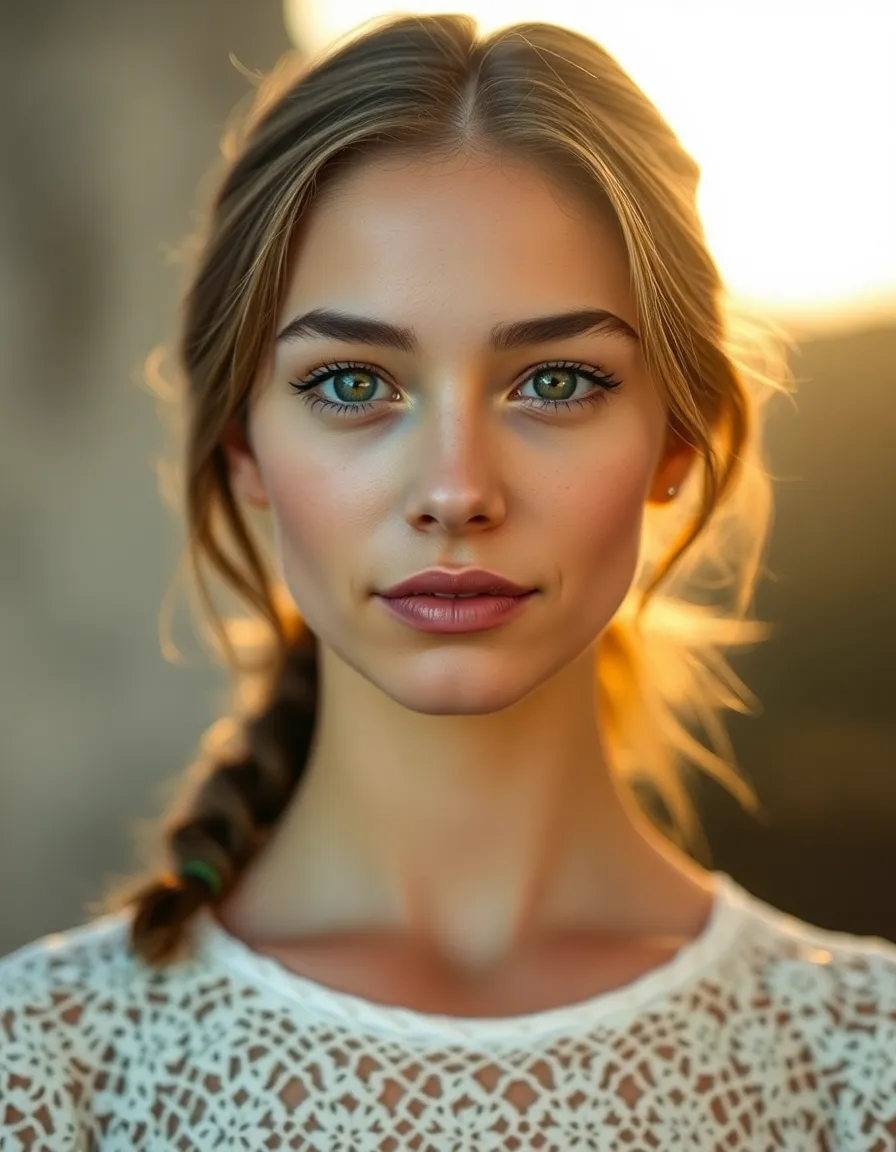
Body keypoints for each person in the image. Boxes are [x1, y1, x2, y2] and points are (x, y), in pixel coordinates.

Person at [1, 12, 894, 1149]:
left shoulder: (858, 1069)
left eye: (557, 379)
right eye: (349, 383)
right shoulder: (47, 1074)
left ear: (677, 439)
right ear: (242, 446)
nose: (455, 488)